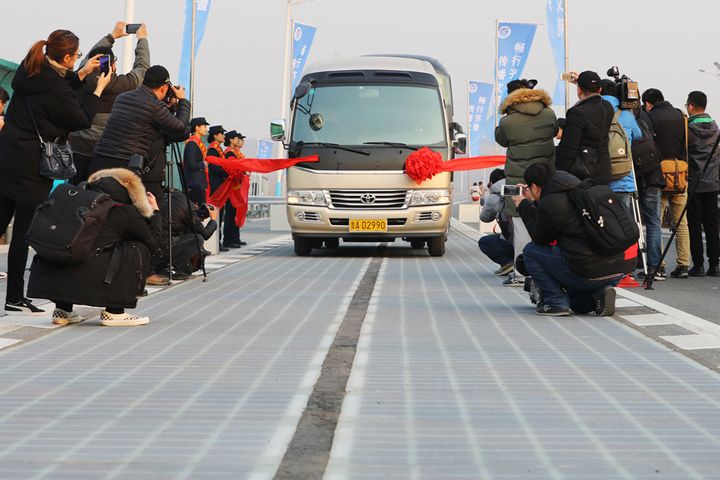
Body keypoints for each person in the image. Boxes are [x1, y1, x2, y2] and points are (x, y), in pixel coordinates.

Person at [0, 30, 111, 316]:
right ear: (65, 57)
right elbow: (80, 118)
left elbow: (58, 90)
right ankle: (14, 296)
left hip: (7, 156)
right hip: (30, 166)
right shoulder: (54, 87)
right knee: (24, 232)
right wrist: (96, 89)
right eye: (76, 56)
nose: (78, 59)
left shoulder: (30, 68)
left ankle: (14, 296)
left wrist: (83, 72)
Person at [28, 168, 161, 326]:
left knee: (75, 245)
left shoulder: (77, 201)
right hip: (90, 277)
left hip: (50, 274)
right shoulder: (125, 211)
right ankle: (114, 312)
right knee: (137, 247)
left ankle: (63, 310)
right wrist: (156, 211)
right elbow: (155, 244)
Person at [514, 162, 635, 316]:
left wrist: (524, 205)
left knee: (530, 252)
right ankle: (599, 295)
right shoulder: (581, 187)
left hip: (586, 271)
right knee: (576, 304)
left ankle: (555, 302)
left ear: (535, 187)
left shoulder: (551, 202)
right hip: (617, 269)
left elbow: (540, 239)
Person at [68, 21, 150, 184]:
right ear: (112, 65)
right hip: (103, 151)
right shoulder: (122, 84)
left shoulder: (80, 76)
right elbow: (142, 68)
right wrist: (142, 40)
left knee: (75, 191)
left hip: (76, 147)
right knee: (98, 193)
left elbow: (87, 59)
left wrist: (111, 36)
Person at [495, 78, 558, 287]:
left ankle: (521, 273)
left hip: (519, 177)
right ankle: (548, 268)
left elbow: (501, 139)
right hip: (546, 176)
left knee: (521, 224)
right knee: (548, 220)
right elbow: (553, 132)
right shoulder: (549, 113)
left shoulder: (507, 121)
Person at [90, 65, 191, 175]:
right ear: (164, 87)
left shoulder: (122, 97)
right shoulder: (155, 106)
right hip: (124, 164)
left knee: (99, 192)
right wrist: (182, 100)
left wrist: (166, 107)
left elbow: (141, 116)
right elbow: (180, 127)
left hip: (100, 158)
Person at [642, 88, 690, 278]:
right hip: (680, 172)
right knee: (681, 222)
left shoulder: (650, 117)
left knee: (656, 220)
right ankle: (684, 264)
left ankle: (659, 265)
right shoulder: (681, 115)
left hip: (659, 175)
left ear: (647, 103)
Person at [556, 70, 614, 185]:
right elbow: (596, 100)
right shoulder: (608, 108)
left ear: (579, 90)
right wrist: (582, 83)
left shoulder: (577, 113)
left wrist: (559, 170)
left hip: (584, 173)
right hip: (603, 170)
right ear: (600, 90)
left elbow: (569, 148)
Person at [685, 90, 720, 277]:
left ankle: (698, 264)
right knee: (712, 224)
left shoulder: (687, 129)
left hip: (694, 183)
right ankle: (715, 264)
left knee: (694, 224)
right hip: (713, 182)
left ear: (691, 106)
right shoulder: (715, 128)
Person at [599, 79, 642, 209]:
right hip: (624, 179)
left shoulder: (595, 112)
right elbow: (638, 135)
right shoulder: (627, 114)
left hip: (601, 178)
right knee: (623, 222)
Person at [158, 190, 219, 279]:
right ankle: (178, 268)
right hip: (164, 246)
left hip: (157, 243)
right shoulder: (189, 209)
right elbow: (205, 234)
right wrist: (213, 220)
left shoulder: (173, 197)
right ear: (196, 203)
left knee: (190, 233)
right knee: (198, 239)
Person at [478, 168, 514, 276]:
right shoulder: (518, 189)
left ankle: (508, 262)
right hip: (527, 240)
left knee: (484, 242)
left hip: (511, 242)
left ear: (492, 182)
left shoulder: (494, 196)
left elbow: (485, 218)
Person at [219, 130, 247, 248]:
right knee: (230, 213)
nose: (240, 141)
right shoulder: (229, 153)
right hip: (231, 187)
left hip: (236, 186)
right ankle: (228, 240)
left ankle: (234, 238)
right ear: (231, 140)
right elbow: (233, 169)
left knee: (234, 212)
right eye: (237, 138)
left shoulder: (235, 153)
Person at [184, 117, 210, 217]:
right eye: (204, 126)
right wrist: (203, 164)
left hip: (198, 183)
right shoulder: (192, 143)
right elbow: (190, 164)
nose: (206, 129)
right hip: (194, 183)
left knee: (201, 211)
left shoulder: (197, 142)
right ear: (197, 128)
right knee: (197, 212)